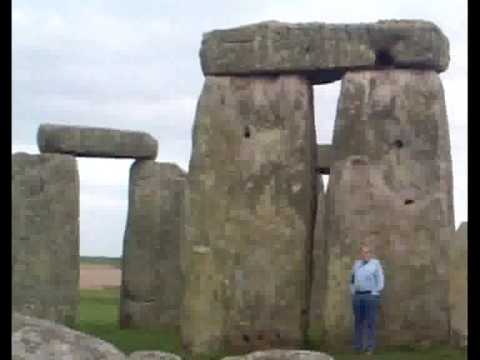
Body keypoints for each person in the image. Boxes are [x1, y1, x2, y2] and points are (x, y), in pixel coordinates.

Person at [350, 244, 385, 355]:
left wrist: (375, 292)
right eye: (363, 252)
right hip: (358, 296)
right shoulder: (356, 264)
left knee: (370, 322)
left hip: (370, 296)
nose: (365, 254)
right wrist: (353, 292)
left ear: (371, 253)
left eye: (367, 252)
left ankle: (370, 347)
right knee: (358, 322)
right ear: (360, 254)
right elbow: (352, 279)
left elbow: (380, 280)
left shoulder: (375, 264)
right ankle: (358, 347)